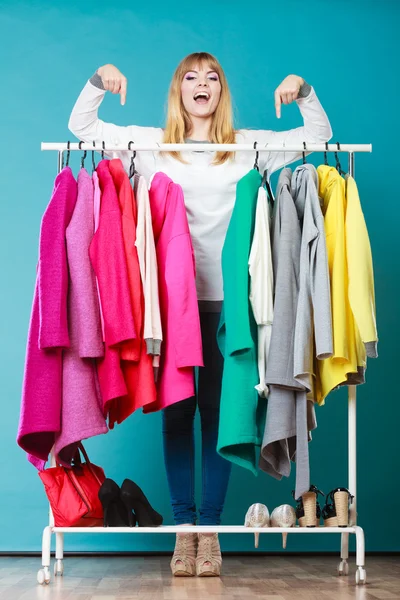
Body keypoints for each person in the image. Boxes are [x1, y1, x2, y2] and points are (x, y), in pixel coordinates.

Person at [68, 51, 332, 577]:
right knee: (176, 417)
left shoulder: (246, 148)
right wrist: (99, 80)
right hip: (168, 312)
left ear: (221, 91)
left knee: (219, 417)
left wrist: (303, 90)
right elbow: (81, 127)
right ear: (178, 91)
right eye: (190, 77)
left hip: (228, 306)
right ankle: (183, 531)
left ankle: (208, 533)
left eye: (212, 77)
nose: (201, 84)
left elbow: (319, 138)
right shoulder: (152, 146)